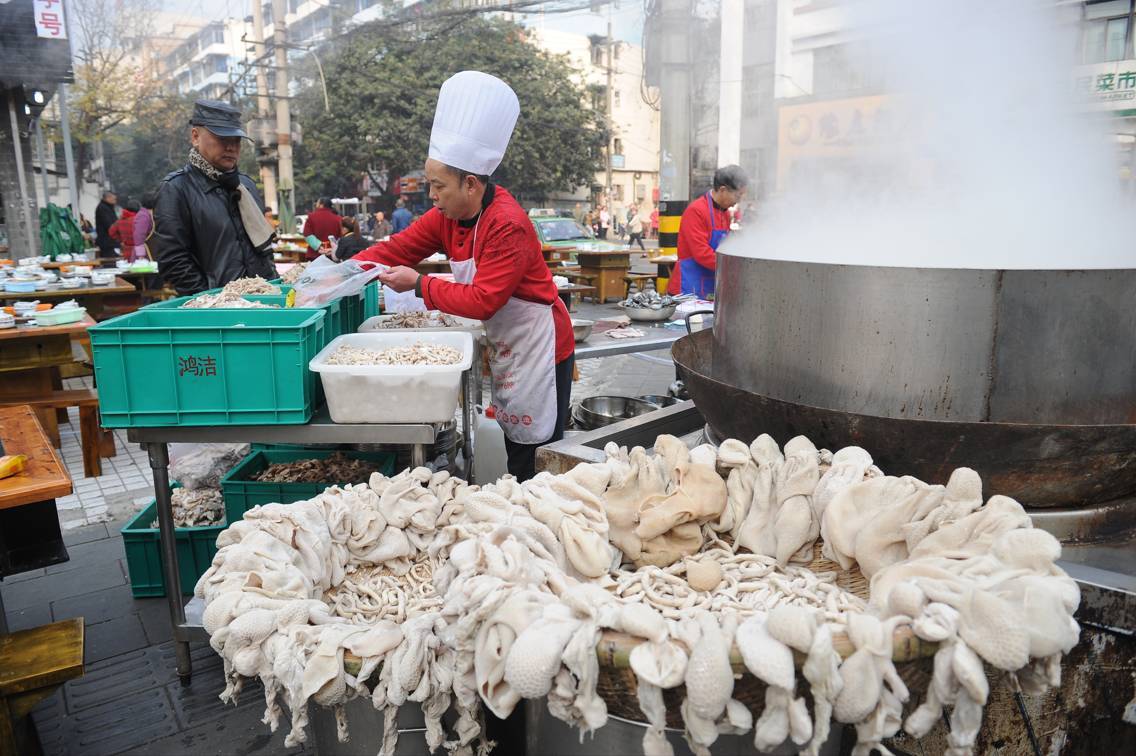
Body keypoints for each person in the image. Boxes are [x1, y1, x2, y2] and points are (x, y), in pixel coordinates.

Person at [354, 71, 575, 483]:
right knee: (514, 441)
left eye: (438, 186)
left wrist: (419, 285)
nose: (431, 196)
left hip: (540, 345)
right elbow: (396, 248)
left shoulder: (506, 223)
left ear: (470, 184)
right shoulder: (448, 216)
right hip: (509, 341)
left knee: (536, 458)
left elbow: (482, 301)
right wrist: (345, 270)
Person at [150, 99, 277, 295]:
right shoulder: (176, 189)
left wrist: (273, 288)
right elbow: (173, 259)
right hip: (214, 310)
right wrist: (210, 299)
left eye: (236, 141)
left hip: (263, 301)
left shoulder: (246, 186)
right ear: (195, 136)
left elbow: (264, 250)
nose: (231, 147)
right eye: (222, 138)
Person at [667, 164, 748, 299]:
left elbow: (724, 246)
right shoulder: (696, 211)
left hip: (710, 284)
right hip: (688, 287)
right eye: (737, 196)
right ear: (723, 190)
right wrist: (733, 267)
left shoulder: (725, 213)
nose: (738, 202)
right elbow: (701, 253)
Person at [131, 192, 157, 261]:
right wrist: (140, 255)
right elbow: (139, 235)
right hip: (143, 255)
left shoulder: (147, 214)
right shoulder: (143, 215)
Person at [95, 190, 118, 257]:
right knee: (109, 260)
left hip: (110, 240)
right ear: (108, 198)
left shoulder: (108, 207)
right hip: (106, 241)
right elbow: (108, 224)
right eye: (114, 199)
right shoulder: (103, 208)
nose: (115, 201)